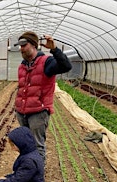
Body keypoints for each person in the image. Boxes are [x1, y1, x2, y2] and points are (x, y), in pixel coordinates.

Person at [14, 31, 72, 162]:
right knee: (25, 144)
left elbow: (66, 66)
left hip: (38, 112)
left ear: (34, 45)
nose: (21, 48)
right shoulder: (22, 66)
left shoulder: (47, 62)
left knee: (37, 145)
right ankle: (27, 171)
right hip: (22, 112)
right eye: (20, 46)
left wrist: (54, 49)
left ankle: (36, 177)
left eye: (24, 45)